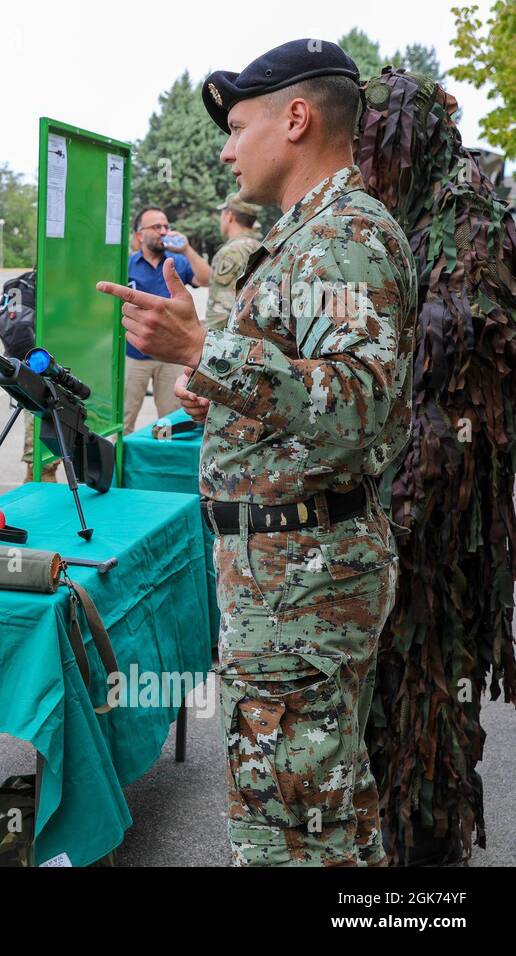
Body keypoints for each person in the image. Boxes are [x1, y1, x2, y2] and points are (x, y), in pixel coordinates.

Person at [98, 38, 416, 866]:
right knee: (321, 815)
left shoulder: (346, 235)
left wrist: (208, 351)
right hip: (284, 578)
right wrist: (223, 392)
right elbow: (301, 391)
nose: (227, 147)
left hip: (304, 588)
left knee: (296, 836)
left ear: (298, 119)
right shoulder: (303, 237)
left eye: (238, 127)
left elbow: (362, 407)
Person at [123, 206, 210, 433]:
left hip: (171, 357)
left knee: (170, 421)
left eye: (166, 226)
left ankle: (162, 462)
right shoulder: (127, 266)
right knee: (125, 418)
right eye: (156, 226)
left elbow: (207, 279)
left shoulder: (177, 262)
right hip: (134, 355)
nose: (163, 231)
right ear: (140, 234)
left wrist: (187, 249)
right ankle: (122, 465)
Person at [204, 192, 263, 331]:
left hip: (231, 341)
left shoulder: (230, 252)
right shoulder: (259, 247)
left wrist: (206, 343)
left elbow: (219, 311)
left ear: (229, 216)